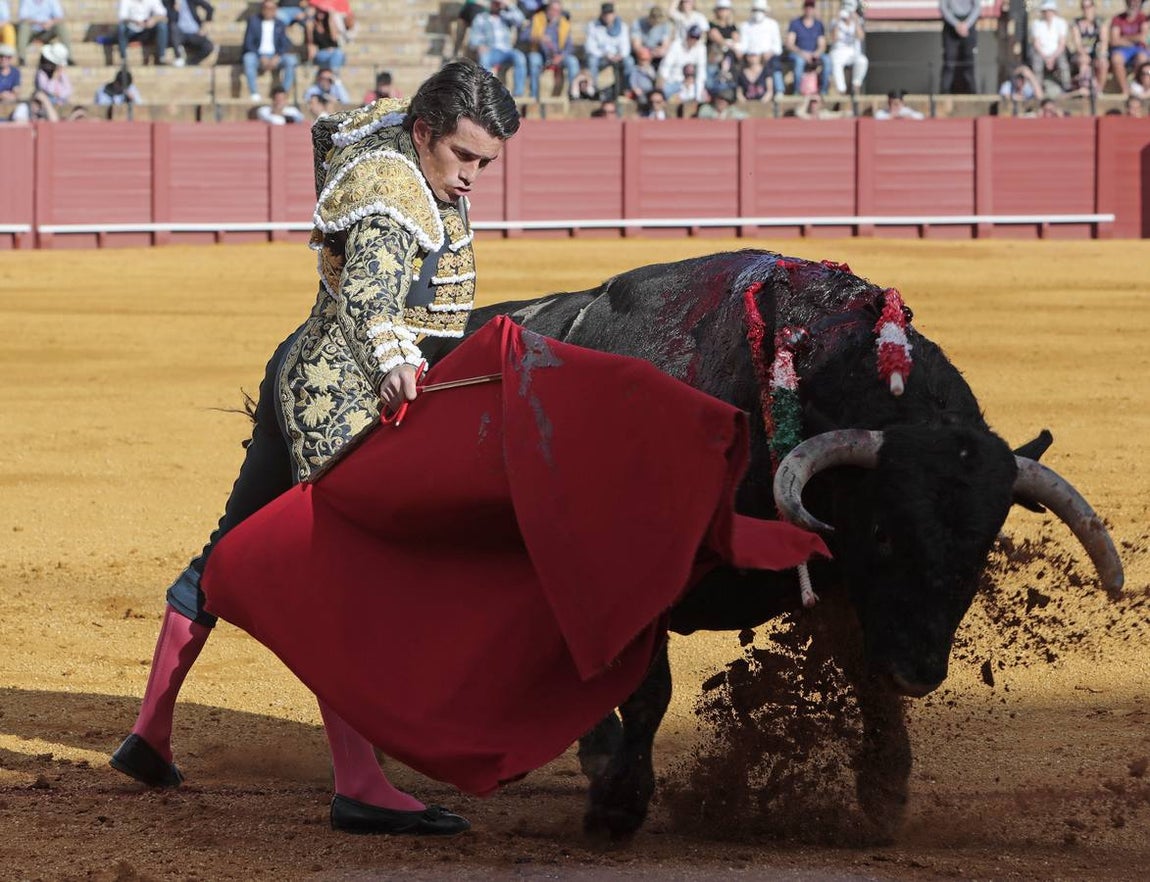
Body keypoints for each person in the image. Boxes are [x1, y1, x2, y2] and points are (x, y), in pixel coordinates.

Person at [108, 59, 521, 838]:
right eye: (463, 157)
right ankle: (360, 783)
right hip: (341, 399)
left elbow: (353, 126)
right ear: (426, 134)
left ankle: (150, 737)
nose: (471, 178)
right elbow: (371, 292)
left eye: (486, 163)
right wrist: (397, 362)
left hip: (298, 369)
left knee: (228, 549)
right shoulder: (394, 197)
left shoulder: (401, 138)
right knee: (347, 578)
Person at [467, 0, 526, 98]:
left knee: (519, 56)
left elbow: (521, 20)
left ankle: (518, 92)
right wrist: (479, 45)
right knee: (484, 58)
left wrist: (509, 4)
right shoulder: (481, 18)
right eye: (495, 2)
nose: (497, 5)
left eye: (498, 3)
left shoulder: (506, 16)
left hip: (506, 51)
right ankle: (487, 92)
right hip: (491, 51)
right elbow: (473, 40)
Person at [242, 0, 298, 102]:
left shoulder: (280, 23)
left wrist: (277, 56)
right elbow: (248, 43)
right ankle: (254, 93)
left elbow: (285, 43)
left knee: (291, 60)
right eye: (266, 8)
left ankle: (283, 93)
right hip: (258, 55)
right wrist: (260, 56)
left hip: (275, 56)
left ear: (275, 10)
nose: (269, 11)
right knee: (248, 59)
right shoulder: (253, 21)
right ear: (262, 9)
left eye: (272, 9)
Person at [526, 0, 579, 99]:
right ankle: (534, 95)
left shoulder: (564, 24)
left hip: (558, 56)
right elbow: (524, 36)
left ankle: (573, 95)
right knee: (534, 59)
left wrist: (561, 56)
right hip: (541, 55)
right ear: (547, 10)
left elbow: (569, 47)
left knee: (573, 61)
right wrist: (538, 38)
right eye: (552, 10)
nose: (554, 13)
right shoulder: (537, 19)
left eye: (557, 11)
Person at [585, 2, 632, 98]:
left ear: (614, 14)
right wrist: (605, 54)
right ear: (601, 14)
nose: (608, 17)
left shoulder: (623, 27)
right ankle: (593, 89)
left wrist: (620, 55)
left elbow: (625, 47)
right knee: (592, 61)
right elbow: (590, 47)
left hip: (617, 57)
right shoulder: (593, 26)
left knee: (629, 61)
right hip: (602, 57)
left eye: (610, 14)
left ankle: (627, 89)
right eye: (605, 14)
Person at [739, 0, 783, 95]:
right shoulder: (745, 26)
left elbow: (778, 47)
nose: (758, 13)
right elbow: (743, 46)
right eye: (755, 10)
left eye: (760, 10)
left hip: (768, 56)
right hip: (751, 56)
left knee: (775, 65)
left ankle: (779, 90)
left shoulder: (772, 24)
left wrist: (769, 52)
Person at [786, 0, 829, 95]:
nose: (809, 9)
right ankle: (796, 91)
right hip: (798, 54)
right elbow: (789, 44)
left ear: (814, 9)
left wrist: (816, 53)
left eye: (811, 7)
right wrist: (803, 54)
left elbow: (822, 45)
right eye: (807, 7)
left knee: (827, 60)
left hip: (814, 54)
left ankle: (823, 91)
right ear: (803, 8)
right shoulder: (795, 23)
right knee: (799, 62)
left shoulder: (818, 24)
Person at [1108, 0, 1148, 96]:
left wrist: (1123, 38)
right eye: (1131, 1)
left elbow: (1143, 37)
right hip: (1122, 50)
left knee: (1142, 58)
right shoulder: (1117, 18)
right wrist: (1134, 39)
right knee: (1116, 58)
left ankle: (1139, 87)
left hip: (1139, 49)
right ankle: (1125, 91)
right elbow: (1113, 40)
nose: (1133, 3)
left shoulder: (1143, 18)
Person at [659, 23, 707, 101]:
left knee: (701, 96)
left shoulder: (701, 49)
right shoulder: (676, 45)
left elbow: (701, 71)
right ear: (687, 35)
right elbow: (666, 66)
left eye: (696, 38)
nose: (693, 40)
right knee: (664, 92)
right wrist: (662, 83)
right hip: (673, 82)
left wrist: (698, 93)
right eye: (692, 36)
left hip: (690, 83)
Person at [1029, 0, 1070, 92]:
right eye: (1046, 11)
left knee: (1063, 65)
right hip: (1041, 53)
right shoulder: (1037, 24)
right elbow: (1036, 43)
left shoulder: (1061, 23)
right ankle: (1037, 89)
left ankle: (1067, 87)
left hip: (1057, 52)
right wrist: (1046, 57)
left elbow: (1062, 44)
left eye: (1050, 10)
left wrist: (1052, 57)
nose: (1048, 13)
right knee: (1037, 64)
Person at [939, 0, 979, 94]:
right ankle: (944, 92)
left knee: (969, 62)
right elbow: (943, 7)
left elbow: (977, 7)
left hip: (968, 23)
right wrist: (956, 24)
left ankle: (972, 92)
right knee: (949, 62)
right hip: (951, 25)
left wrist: (967, 24)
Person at [1068, 0, 1107, 95]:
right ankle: (1085, 90)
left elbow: (1103, 41)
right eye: (1084, 7)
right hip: (1082, 53)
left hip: (1096, 53)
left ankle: (1099, 91)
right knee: (1083, 61)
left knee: (1103, 63)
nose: (1086, 9)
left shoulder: (1100, 22)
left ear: (1093, 7)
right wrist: (1084, 55)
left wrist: (1099, 55)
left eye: (1089, 6)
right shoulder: (1076, 23)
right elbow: (1077, 43)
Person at [14, 0, 70, 65]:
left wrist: (50, 23)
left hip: (47, 30)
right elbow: (23, 18)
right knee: (24, 26)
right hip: (32, 30)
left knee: (61, 26)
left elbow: (59, 17)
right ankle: (21, 58)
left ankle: (69, 57)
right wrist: (39, 23)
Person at [829, 0, 866, 95]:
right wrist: (837, 21)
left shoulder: (857, 20)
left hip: (852, 51)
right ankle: (841, 90)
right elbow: (834, 38)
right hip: (838, 51)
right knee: (836, 63)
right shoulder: (835, 21)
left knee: (862, 61)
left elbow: (861, 37)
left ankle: (856, 86)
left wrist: (855, 21)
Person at [117, 0, 170, 65]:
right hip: (131, 30)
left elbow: (163, 15)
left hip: (146, 30)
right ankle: (123, 58)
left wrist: (153, 20)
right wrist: (135, 22)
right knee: (121, 27)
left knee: (162, 26)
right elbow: (122, 18)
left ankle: (161, 57)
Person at [165, 0, 213, 67]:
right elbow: (165, 18)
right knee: (174, 28)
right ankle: (178, 57)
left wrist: (206, 24)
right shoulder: (170, 2)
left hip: (194, 33)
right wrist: (174, 10)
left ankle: (191, 63)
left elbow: (209, 8)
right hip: (179, 34)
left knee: (208, 46)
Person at [305, 7, 348, 72]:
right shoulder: (311, 25)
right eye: (319, 11)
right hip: (320, 52)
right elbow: (310, 42)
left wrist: (330, 19)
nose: (321, 13)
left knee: (337, 54)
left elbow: (334, 37)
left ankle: (333, 75)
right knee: (337, 54)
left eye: (323, 11)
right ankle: (334, 76)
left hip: (334, 52)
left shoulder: (330, 24)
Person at [631, 3, 672, 67]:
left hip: (656, 53)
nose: (657, 24)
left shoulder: (665, 24)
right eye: (655, 21)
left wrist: (660, 50)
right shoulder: (638, 23)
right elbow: (636, 46)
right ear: (650, 18)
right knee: (630, 62)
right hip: (641, 54)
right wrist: (647, 53)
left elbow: (665, 45)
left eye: (659, 22)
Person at [33, 39, 68, 104]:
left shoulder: (61, 73)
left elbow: (68, 90)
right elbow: (48, 90)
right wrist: (54, 78)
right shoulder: (42, 73)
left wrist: (59, 94)